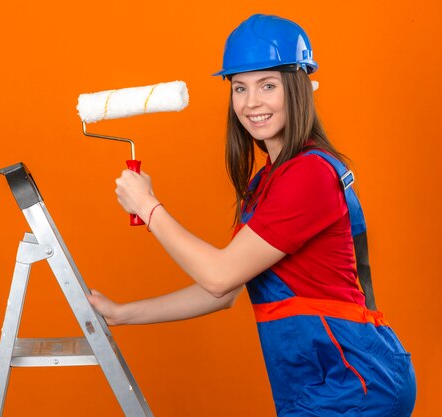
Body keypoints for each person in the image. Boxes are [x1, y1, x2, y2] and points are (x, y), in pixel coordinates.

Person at [88, 14, 417, 417]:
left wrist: (148, 207)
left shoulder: (309, 174)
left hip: (354, 382)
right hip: (319, 381)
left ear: (297, 88)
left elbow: (219, 274)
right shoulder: (270, 180)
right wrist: (123, 314)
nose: (251, 103)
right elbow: (223, 292)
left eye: (268, 86)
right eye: (239, 87)